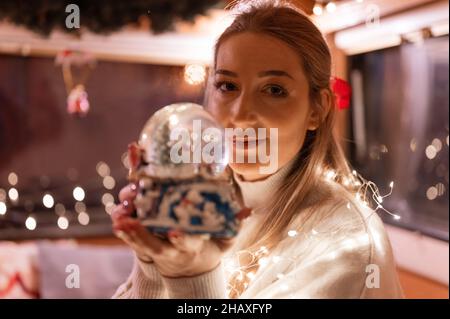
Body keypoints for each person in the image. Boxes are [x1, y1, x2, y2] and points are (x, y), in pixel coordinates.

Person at [111, 1, 404, 299]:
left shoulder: (347, 244)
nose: (240, 114)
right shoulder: (198, 205)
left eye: (274, 90)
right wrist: (152, 261)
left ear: (317, 108)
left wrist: (192, 275)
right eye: (227, 86)